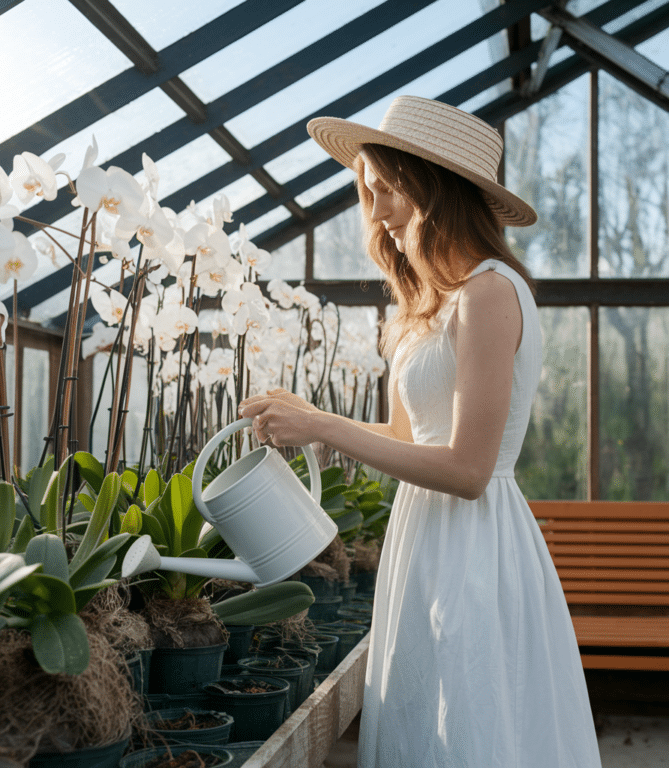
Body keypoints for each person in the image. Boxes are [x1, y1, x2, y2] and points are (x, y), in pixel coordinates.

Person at [238, 96, 602, 767]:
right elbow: (409, 439)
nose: (374, 213)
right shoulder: (424, 309)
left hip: (477, 547)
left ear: (432, 188)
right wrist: (313, 420)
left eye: (386, 190)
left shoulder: (492, 294)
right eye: (367, 193)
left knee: (471, 727)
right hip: (421, 541)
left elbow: (467, 470)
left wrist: (324, 424)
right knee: (420, 721)